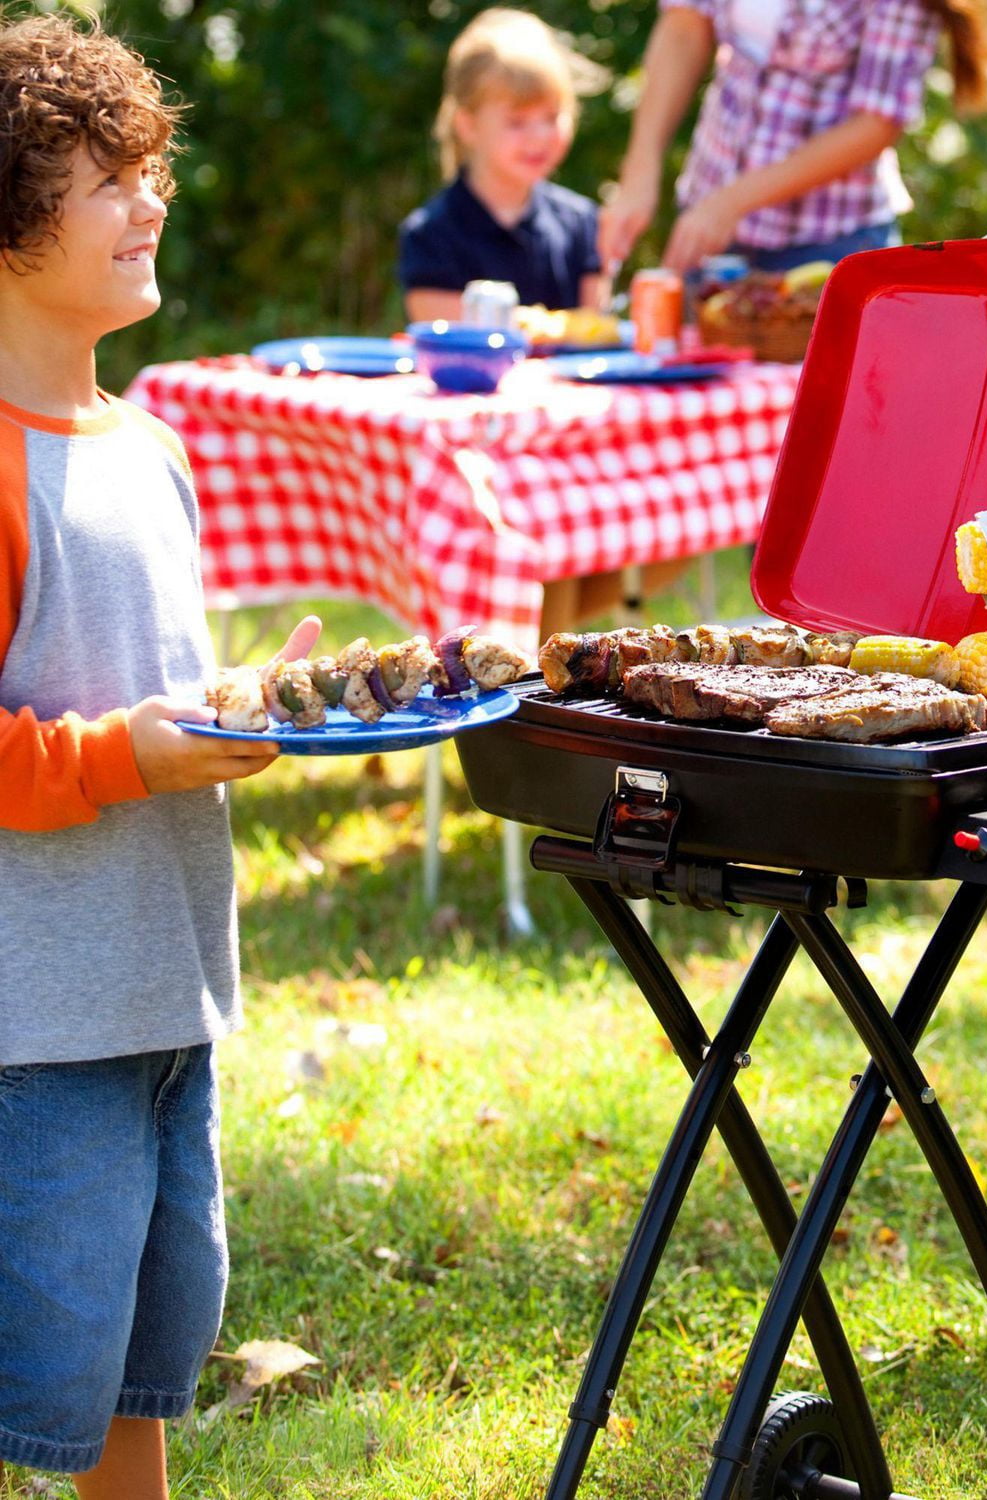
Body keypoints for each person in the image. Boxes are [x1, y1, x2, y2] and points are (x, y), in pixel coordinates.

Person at [0, 16, 320, 1497]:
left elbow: (153, 698)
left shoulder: (151, 444)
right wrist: (130, 755)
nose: (151, 203)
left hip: (163, 991)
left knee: (141, 1365)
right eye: (107, 180)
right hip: (28, 1033)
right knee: (26, 1385)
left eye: (155, 171)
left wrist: (246, 711)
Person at [599, 0, 987, 276]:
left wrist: (732, 202)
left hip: (829, 242)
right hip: (710, 221)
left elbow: (877, 123)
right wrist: (641, 169)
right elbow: (685, 27)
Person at [400, 8, 605, 319]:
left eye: (551, 117)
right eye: (517, 122)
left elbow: (596, 335)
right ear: (468, 126)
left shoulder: (583, 225)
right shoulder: (430, 235)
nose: (540, 137)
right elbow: (448, 344)